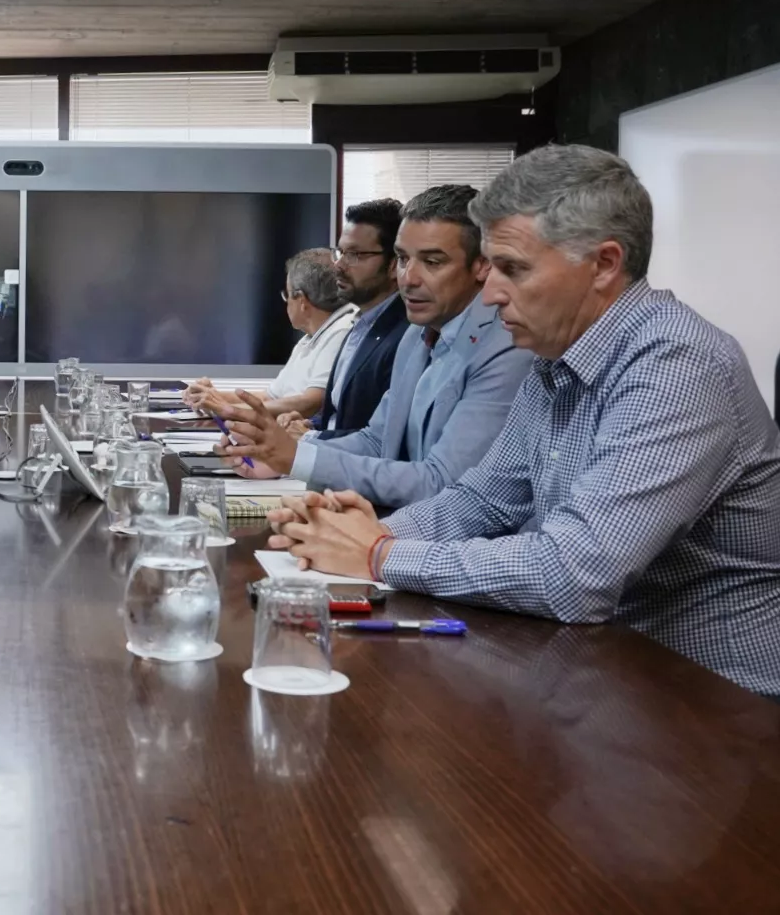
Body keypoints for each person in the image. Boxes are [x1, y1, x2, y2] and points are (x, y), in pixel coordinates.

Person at [268, 145, 780, 697]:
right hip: (605, 669)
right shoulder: (554, 356)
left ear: (604, 265)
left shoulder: (678, 366)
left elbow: (575, 573)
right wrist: (357, 533)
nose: (490, 293)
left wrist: (377, 553)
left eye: (512, 268)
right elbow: (484, 500)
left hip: (715, 704)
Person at [217, 185, 532, 508]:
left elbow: (442, 482)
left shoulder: (506, 345)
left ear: (481, 265)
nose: (408, 278)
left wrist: (297, 458)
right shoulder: (416, 334)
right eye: (403, 259)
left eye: (433, 262)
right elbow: (378, 439)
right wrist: (278, 454)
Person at [184, 248, 356, 418]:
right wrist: (213, 396)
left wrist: (229, 410)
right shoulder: (310, 338)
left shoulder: (341, 331)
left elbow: (310, 403)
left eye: (287, 294)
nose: (286, 302)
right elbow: (269, 397)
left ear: (302, 301)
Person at [312, 198, 411, 436]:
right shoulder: (360, 322)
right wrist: (308, 425)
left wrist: (311, 438)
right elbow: (342, 413)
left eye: (355, 255)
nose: (338, 265)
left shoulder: (407, 334)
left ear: (392, 265)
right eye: (340, 252)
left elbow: (383, 439)